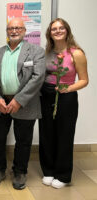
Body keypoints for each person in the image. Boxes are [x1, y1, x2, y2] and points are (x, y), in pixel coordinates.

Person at [0, 18, 45, 190]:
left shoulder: (36, 51)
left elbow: (38, 77)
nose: (14, 31)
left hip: (25, 103)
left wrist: (19, 100)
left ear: (25, 30)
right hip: (1, 102)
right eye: (10, 28)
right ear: (6, 31)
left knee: (23, 140)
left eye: (18, 27)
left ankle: (20, 171)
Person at [39, 18, 88, 189]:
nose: (57, 31)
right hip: (46, 95)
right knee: (46, 133)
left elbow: (84, 80)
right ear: (49, 33)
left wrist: (68, 88)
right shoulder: (47, 52)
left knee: (64, 135)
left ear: (67, 30)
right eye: (54, 29)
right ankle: (49, 170)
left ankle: (63, 174)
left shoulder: (76, 53)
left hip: (66, 97)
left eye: (61, 28)